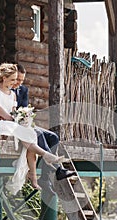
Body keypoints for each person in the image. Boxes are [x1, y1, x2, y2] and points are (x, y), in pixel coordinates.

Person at [0, 62, 64, 195]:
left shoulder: (13, 94)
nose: (15, 83)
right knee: (27, 134)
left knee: (30, 134)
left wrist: (21, 118)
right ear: (4, 78)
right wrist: (13, 119)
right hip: (1, 123)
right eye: (12, 80)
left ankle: (34, 175)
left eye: (16, 80)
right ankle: (46, 156)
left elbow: (15, 110)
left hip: (13, 124)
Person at [12, 64, 75, 192]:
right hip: (13, 126)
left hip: (23, 124)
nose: (19, 83)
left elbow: (24, 109)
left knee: (53, 137)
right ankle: (57, 168)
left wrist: (26, 118)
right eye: (17, 79)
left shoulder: (23, 90)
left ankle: (45, 178)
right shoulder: (5, 90)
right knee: (38, 135)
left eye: (21, 80)